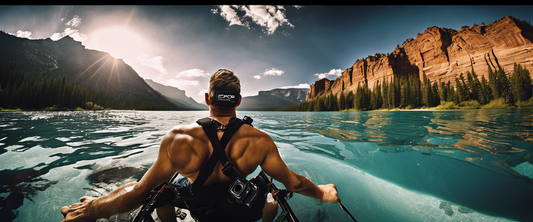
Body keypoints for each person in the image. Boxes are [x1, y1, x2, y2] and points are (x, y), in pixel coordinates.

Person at [61, 69, 339, 222]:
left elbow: (139, 192)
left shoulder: (176, 139)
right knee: (270, 191)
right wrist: (322, 193)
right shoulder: (260, 140)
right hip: (242, 211)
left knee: (160, 189)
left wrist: (94, 208)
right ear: (239, 102)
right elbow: (294, 184)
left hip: (200, 211)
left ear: (207, 98)